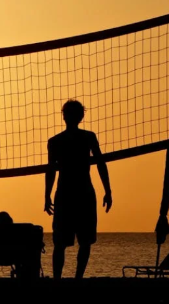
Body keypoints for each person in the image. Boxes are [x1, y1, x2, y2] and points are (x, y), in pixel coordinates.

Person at [45, 99, 112, 279]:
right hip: (80, 194)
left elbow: (100, 163)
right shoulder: (86, 137)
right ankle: (76, 279)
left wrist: (47, 196)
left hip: (70, 194)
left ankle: (61, 280)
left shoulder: (57, 141)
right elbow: (100, 164)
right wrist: (108, 191)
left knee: (67, 242)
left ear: (64, 116)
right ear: (81, 117)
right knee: (80, 241)